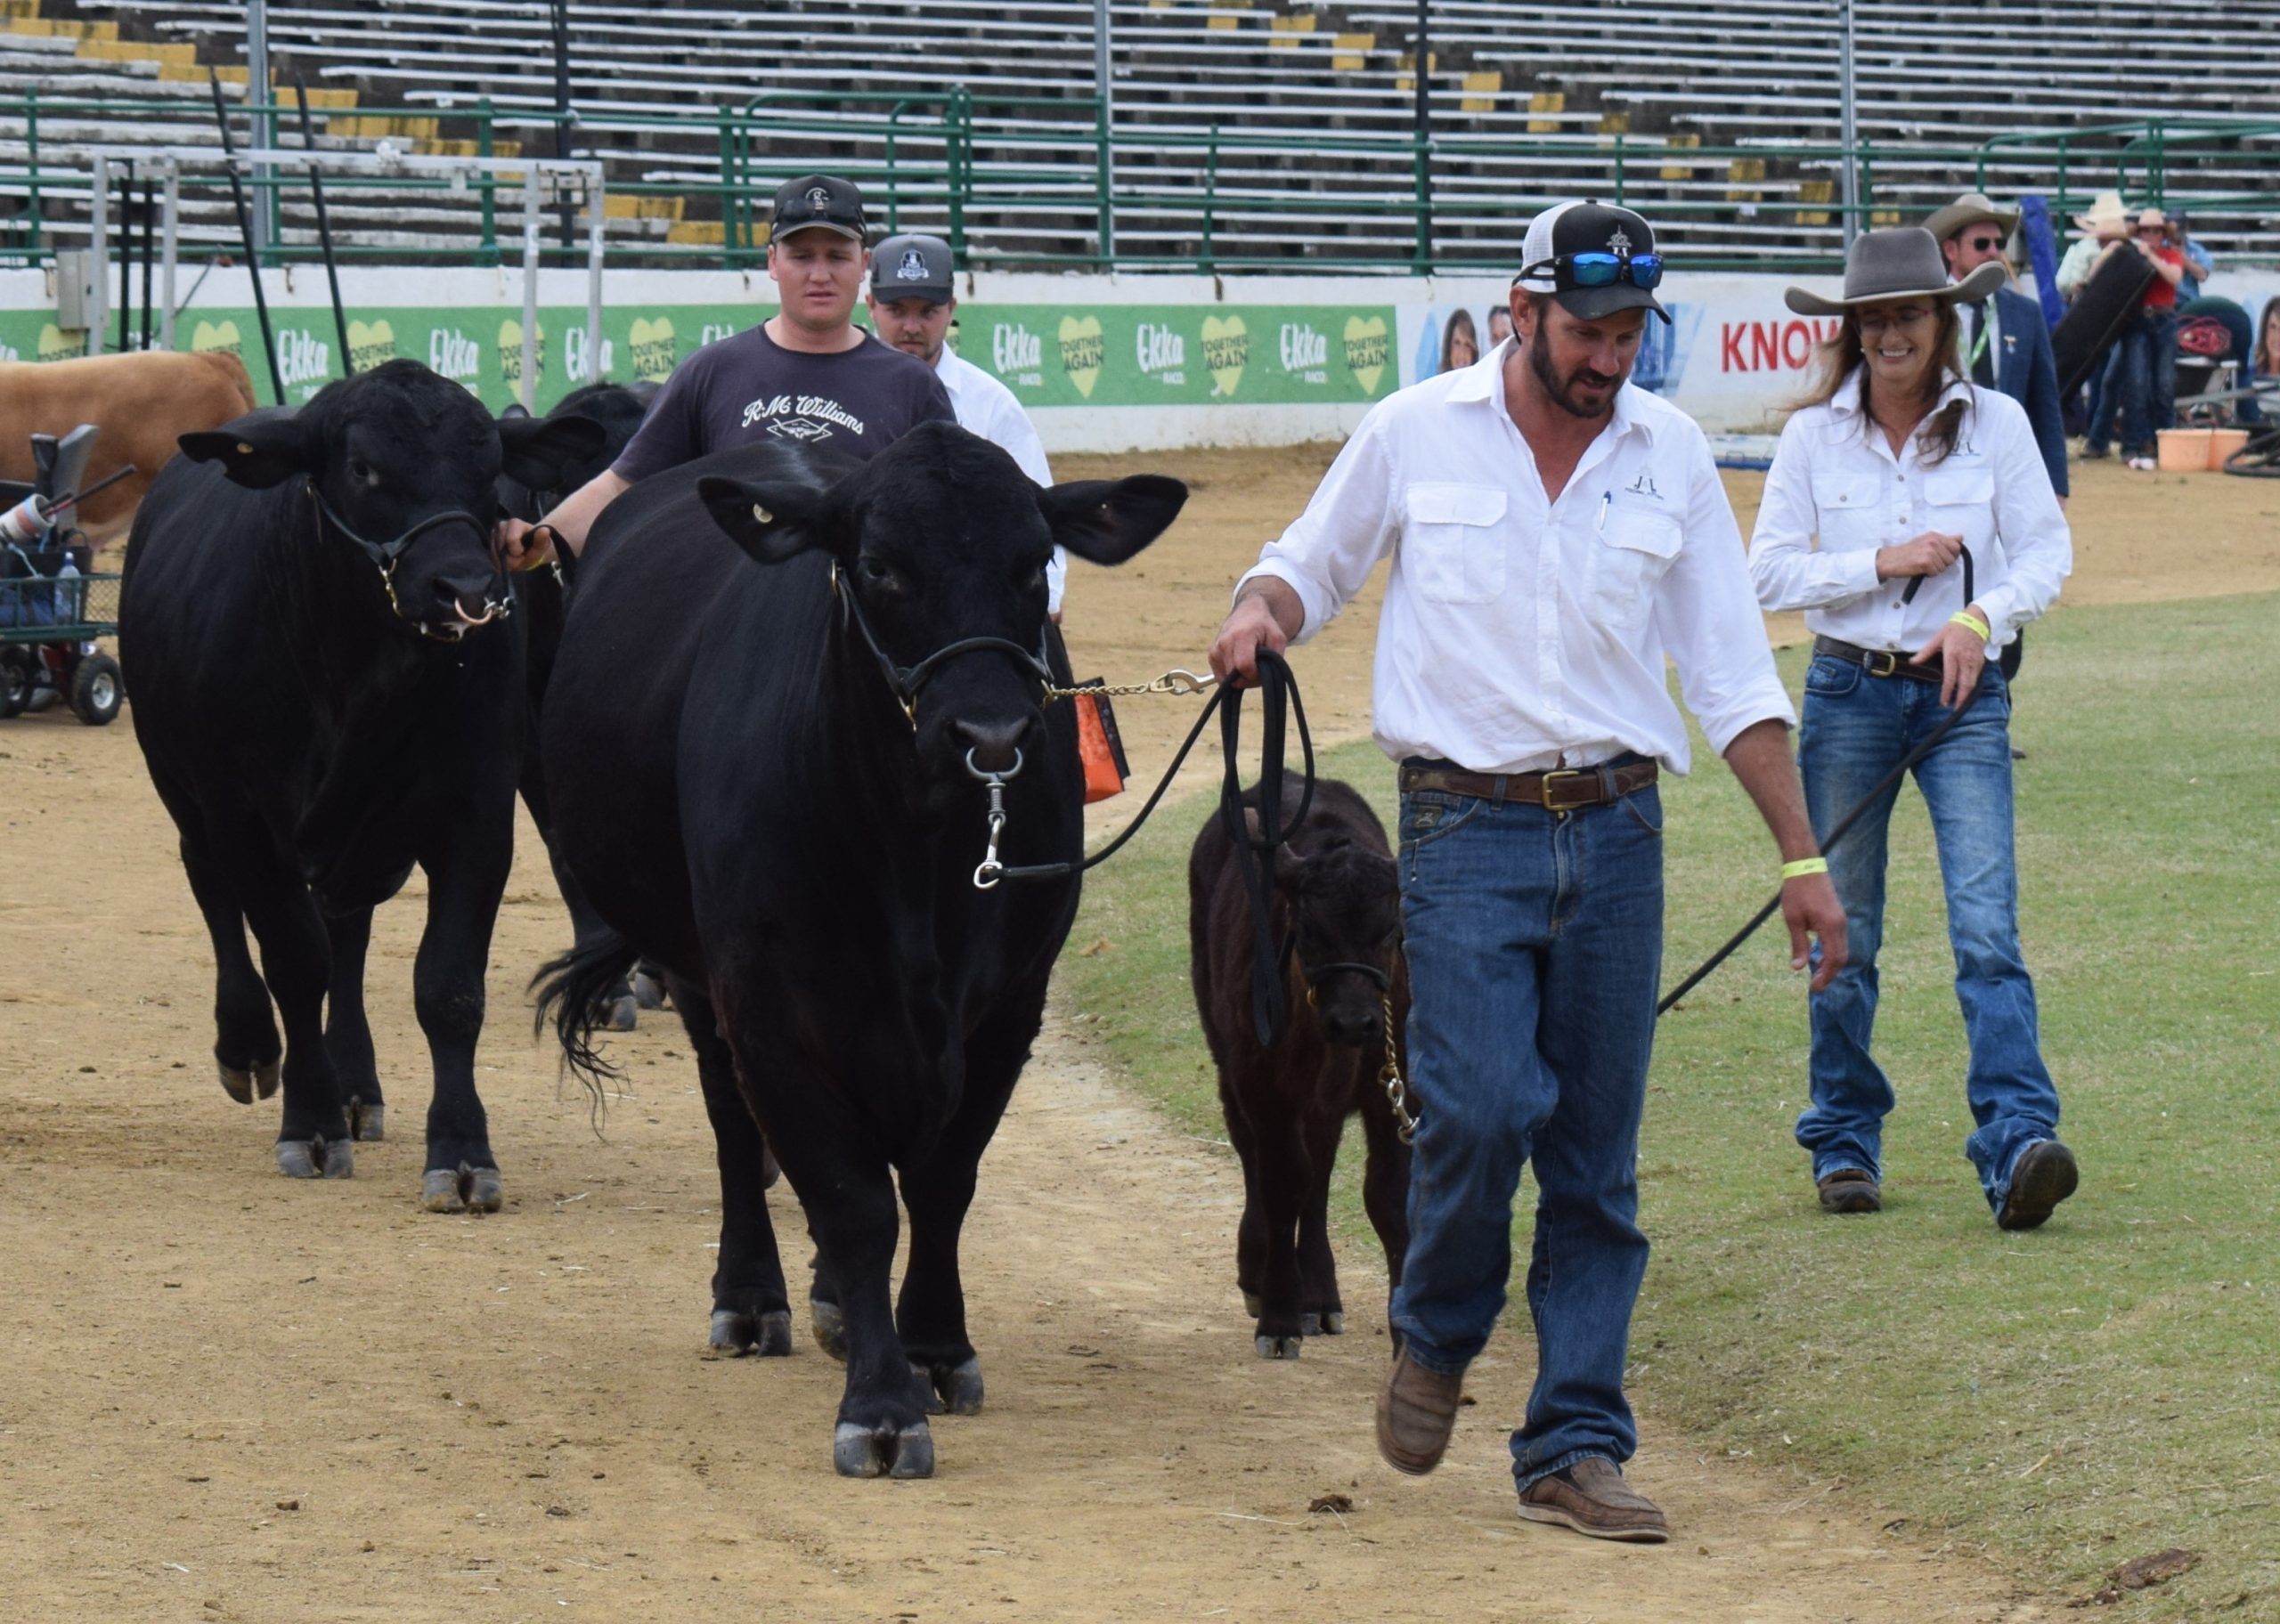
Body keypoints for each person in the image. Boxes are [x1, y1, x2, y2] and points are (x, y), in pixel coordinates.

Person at [1206, 200, 1845, 1545]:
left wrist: (1801, 856)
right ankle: (1435, 1330)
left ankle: (1574, 1442)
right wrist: (1259, 615)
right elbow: (1306, 567)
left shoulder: (1668, 457)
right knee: (1482, 1105)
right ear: (1521, 312)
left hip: (1618, 833)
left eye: (1630, 335)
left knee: (1597, 1164)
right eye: (1588, 332)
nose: (1611, 360)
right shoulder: (1414, 428)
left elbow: (1731, 672)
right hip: (1460, 828)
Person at [1747, 226, 2075, 1231]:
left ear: (1943, 321)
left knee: (1986, 926)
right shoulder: (1812, 439)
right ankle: (1843, 1137)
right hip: (1846, 690)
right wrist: (1879, 562)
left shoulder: (1998, 423)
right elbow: (1764, 574)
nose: (1893, 332)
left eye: (1911, 314)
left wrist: (1981, 616)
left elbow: (2045, 553)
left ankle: (2017, 1138)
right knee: (1843, 932)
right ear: (1853, 330)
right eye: (1876, 317)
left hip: (1960, 697)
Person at [498, 175, 953, 568]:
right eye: (801, 256)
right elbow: (626, 484)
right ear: (772, 262)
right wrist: (542, 539)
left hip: (856, 637)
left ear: (864, 266)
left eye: (837, 256)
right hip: (730, 632)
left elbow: (948, 515)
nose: (820, 275)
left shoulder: (911, 385)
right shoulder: (712, 371)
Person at [866, 231, 1065, 623]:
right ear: (871, 305)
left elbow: (1040, 509)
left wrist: (1050, 598)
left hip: (969, 611)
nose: (911, 326)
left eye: (927, 311)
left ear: (951, 307)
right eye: (896, 310)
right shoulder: (844, 390)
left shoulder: (992, 404)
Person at [1924, 192, 2067, 502]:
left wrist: (2056, 483)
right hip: (1942, 464)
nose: (1993, 252)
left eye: (1999, 244)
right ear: (1950, 249)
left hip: (2009, 467)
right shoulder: (1926, 313)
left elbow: (2046, 404)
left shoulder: (2026, 313)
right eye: (1981, 244)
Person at [2084, 207, 2185, 471]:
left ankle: (2162, 444)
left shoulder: (2169, 254)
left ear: (2163, 233)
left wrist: (2149, 255)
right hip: (2140, 321)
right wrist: (2111, 250)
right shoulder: (2132, 255)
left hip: (2162, 320)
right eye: (2145, 230)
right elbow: (2094, 276)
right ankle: (2134, 445)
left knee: (2163, 386)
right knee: (2136, 386)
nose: (2150, 234)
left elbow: (2175, 277)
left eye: (2155, 230)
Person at [1438, 307, 1479, 373]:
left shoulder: (1483, 382)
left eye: (1467, 345)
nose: (1462, 352)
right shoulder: (1438, 382)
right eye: (1457, 343)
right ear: (1449, 347)